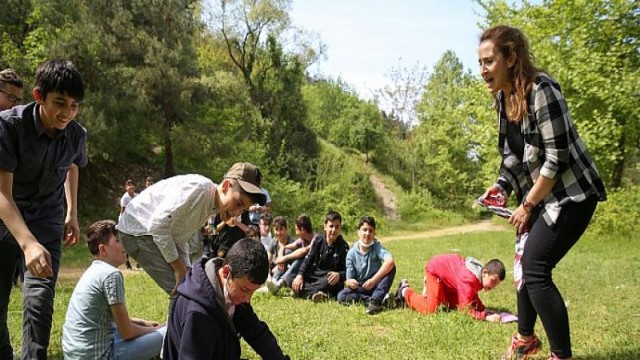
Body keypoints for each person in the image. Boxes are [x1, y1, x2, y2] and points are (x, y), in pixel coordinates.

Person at [477, 25, 607, 360]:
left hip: (573, 195)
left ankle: (561, 355)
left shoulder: (542, 90)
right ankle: (525, 339)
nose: (483, 70)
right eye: (481, 63)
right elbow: (512, 157)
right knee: (523, 262)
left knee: (535, 268)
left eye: (490, 61)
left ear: (512, 57)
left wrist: (528, 204)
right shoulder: (504, 101)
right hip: (542, 196)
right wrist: (502, 186)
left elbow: (556, 158)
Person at [0, 59, 86, 360]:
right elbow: (2, 194)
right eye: (60, 103)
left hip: (47, 221)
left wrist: (72, 212)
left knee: (39, 302)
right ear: (39, 96)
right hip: (6, 221)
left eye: (74, 106)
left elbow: (72, 165)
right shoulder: (9, 126)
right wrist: (27, 243)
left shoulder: (76, 134)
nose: (66, 113)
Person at [115, 162, 267, 309]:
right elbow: (158, 226)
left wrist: (187, 269)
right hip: (137, 231)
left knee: (189, 286)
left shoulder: (211, 205)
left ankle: (181, 332)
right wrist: (178, 268)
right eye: (238, 204)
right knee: (183, 293)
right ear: (226, 186)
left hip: (151, 232)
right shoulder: (199, 191)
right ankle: (179, 335)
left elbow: (178, 237)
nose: (237, 213)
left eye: (243, 210)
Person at [163, 238, 290, 359]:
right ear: (226, 272)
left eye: (253, 292)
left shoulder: (231, 290)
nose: (247, 299)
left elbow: (256, 332)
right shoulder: (198, 313)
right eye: (245, 290)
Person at [62, 220, 166, 360]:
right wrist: (153, 330)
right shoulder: (111, 274)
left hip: (75, 355)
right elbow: (127, 332)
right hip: (100, 356)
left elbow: (109, 319)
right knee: (170, 333)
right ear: (103, 249)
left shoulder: (93, 270)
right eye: (118, 241)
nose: (124, 245)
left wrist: (144, 323)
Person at [395, 254, 505, 322]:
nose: (493, 286)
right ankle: (404, 290)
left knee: (452, 305)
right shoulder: (469, 278)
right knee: (430, 309)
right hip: (436, 272)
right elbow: (465, 310)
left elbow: (471, 296)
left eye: (497, 284)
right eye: (493, 281)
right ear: (485, 272)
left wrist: (482, 309)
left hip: (449, 279)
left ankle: (431, 288)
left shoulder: (478, 277)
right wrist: (486, 317)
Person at [337, 216, 396, 315]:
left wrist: (373, 281)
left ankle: (376, 300)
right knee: (342, 296)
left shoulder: (377, 246)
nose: (367, 234)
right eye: (364, 230)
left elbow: (390, 261)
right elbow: (348, 280)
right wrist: (350, 282)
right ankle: (375, 301)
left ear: (374, 233)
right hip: (361, 287)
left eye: (370, 231)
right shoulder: (351, 253)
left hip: (376, 284)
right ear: (358, 232)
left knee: (391, 268)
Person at [292, 210, 349, 302]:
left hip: (329, 279)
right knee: (294, 278)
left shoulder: (343, 246)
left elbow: (348, 270)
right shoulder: (318, 241)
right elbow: (308, 259)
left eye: (337, 227)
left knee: (328, 283)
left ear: (340, 228)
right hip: (314, 275)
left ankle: (304, 291)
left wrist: (339, 275)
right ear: (325, 227)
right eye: (331, 226)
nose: (334, 230)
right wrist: (300, 275)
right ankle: (316, 294)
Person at [267, 214, 317, 294]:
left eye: (297, 230)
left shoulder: (316, 239)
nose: (296, 233)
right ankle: (274, 281)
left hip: (312, 270)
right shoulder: (303, 239)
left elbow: (305, 250)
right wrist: (281, 255)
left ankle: (280, 283)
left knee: (300, 259)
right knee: (287, 251)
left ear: (302, 229)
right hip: (300, 269)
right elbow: (286, 247)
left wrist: (285, 258)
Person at [266, 216, 294, 286]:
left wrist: (282, 259)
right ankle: (274, 281)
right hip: (276, 268)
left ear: (286, 229)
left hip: (288, 268)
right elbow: (268, 261)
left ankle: (276, 280)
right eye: (276, 229)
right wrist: (268, 274)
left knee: (287, 252)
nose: (278, 232)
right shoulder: (273, 242)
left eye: (281, 229)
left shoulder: (292, 242)